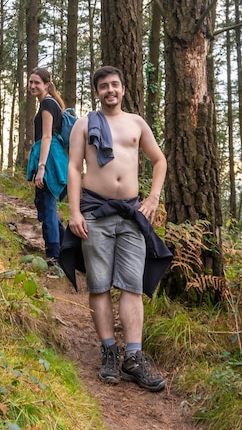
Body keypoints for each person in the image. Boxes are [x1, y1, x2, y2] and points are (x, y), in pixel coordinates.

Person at [67, 65, 168, 390]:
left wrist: (152, 198)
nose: (110, 90)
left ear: (123, 89)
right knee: (98, 285)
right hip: (95, 213)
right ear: (97, 92)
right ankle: (109, 350)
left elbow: (159, 161)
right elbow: (73, 167)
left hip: (130, 215)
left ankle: (133, 358)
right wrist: (74, 211)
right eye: (103, 86)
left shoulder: (136, 123)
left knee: (131, 286)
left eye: (115, 85)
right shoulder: (84, 124)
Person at [26, 67, 67, 276]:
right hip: (51, 157)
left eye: (37, 83)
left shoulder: (47, 103)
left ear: (46, 85)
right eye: (31, 82)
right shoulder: (50, 103)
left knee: (48, 208)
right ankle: (69, 250)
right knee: (44, 206)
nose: (33, 86)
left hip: (49, 159)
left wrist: (41, 168)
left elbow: (47, 137)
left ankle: (54, 259)